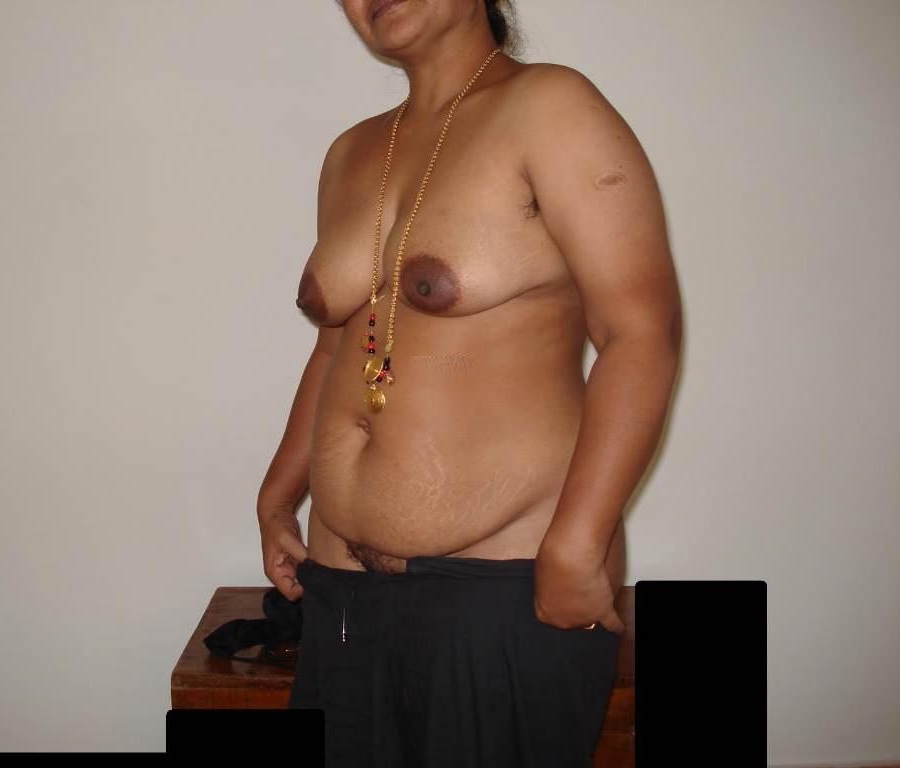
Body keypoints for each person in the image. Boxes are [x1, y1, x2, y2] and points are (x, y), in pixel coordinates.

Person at [256, 1, 682, 765]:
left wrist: (578, 543)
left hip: (499, 593)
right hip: (340, 594)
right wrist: (279, 493)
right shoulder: (351, 151)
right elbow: (336, 349)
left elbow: (640, 334)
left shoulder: (548, 106)